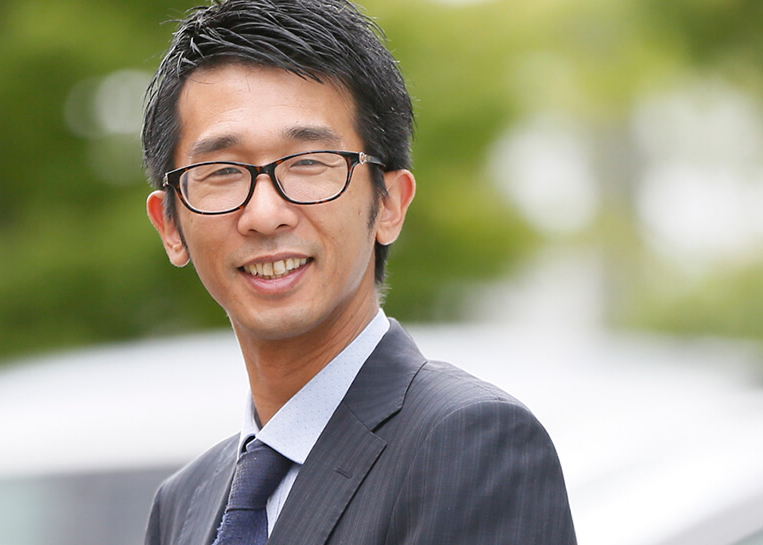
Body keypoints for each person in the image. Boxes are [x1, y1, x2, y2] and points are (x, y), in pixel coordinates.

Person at [140, 1, 578, 544]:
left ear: (389, 203)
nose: (265, 214)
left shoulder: (470, 442)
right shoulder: (185, 503)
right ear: (170, 225)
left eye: (308, 163)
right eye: (222, 171)